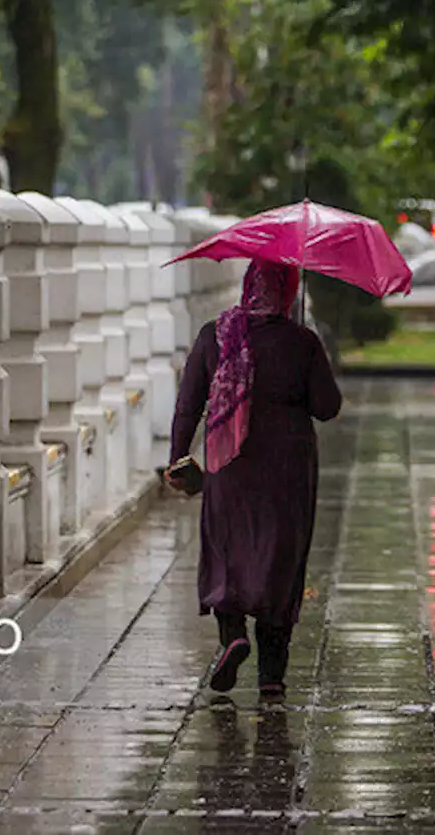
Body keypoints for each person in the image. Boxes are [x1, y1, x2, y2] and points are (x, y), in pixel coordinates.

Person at [166, 259, 342, 700]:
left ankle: (232, 637)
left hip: (230, 468)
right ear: (286, 292)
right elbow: (327, 406)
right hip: (287, 471)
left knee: (228, 548)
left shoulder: (215, 335)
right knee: (279, 559)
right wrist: (304, 353)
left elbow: (188, 404)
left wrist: (177, 458)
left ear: (248, 285)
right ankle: (271, 675)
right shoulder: (301, 341)